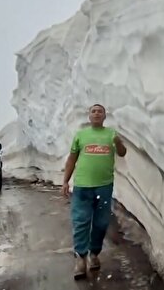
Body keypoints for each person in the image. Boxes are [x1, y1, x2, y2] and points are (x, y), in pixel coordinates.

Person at [61, 103, 127, 279]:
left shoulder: (111, 134)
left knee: (101, 223)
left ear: (104, 116)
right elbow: (71, 160)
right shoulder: (81, 135)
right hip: (82, 186)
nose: (97, 114)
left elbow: (122, 153)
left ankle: (94, 254)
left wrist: (119, 143)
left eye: (100, 111)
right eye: (93, 111)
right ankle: (81, 259)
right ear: (89, 116)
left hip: (104, 186)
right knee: (81, 222)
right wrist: (65, 181)